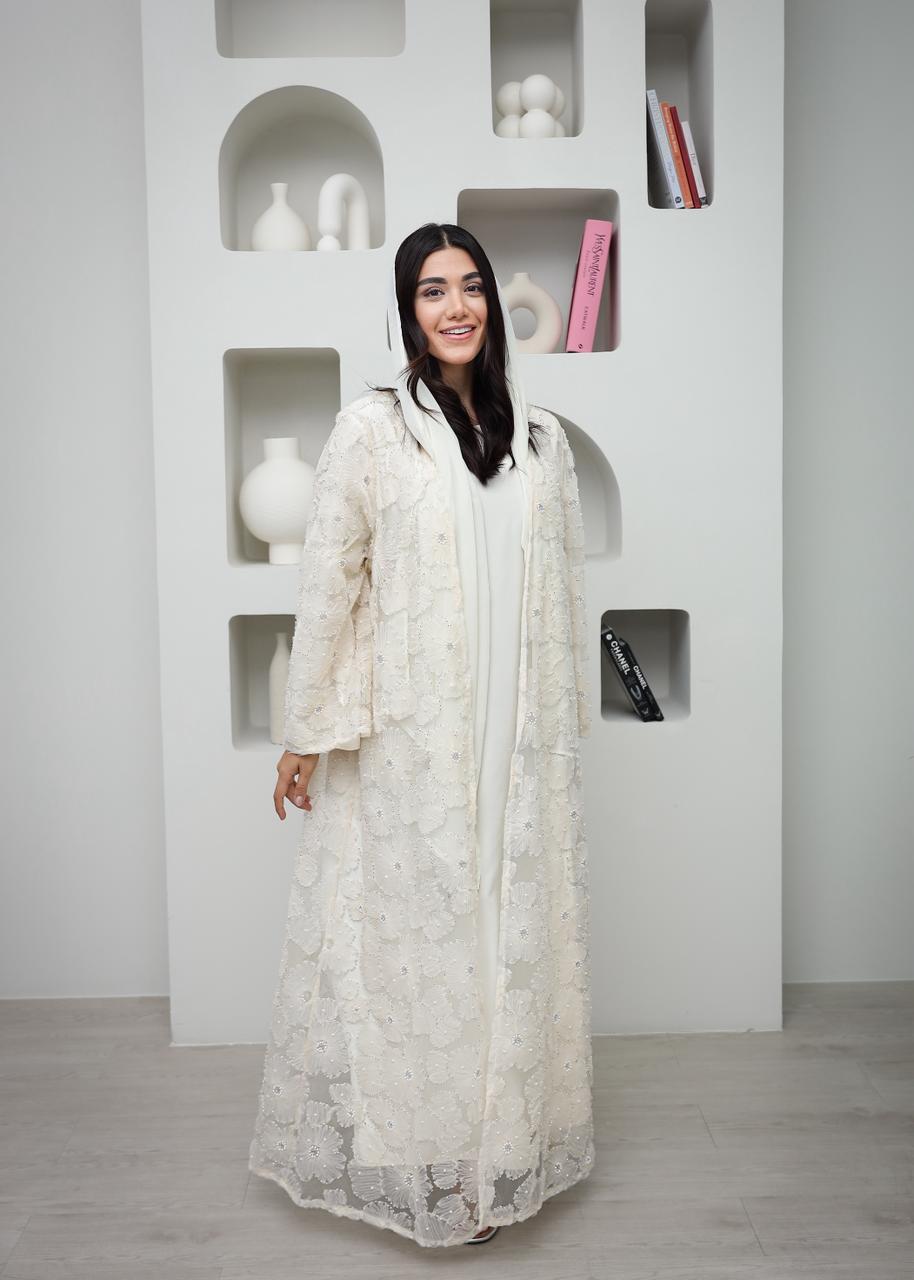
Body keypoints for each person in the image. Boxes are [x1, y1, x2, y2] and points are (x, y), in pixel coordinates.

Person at [248, 223, 594, 1248]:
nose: (456, 306)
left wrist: (560, 732)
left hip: (516, 732)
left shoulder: (543, 439)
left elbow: (565, 591)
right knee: (423, 940)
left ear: (490, 304)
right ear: (406, 310)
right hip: (417, 730)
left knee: (504, 924)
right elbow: (329, 583)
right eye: (432, 290)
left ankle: (498, 1147)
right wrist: (306, 730)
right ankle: (431, 1165)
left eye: (471, 286)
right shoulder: (371, 431)